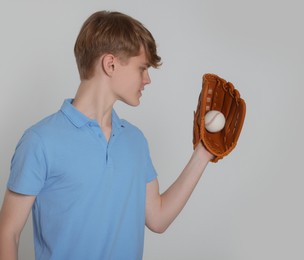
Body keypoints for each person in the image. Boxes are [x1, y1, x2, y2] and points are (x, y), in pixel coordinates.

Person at [0, 10, 214, 260]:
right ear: (110, 64)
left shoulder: (135, 141)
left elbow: (158, 218)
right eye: (142, 68)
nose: (147, 80)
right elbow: (8, 233)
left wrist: (203, 152)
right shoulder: (40, 141)